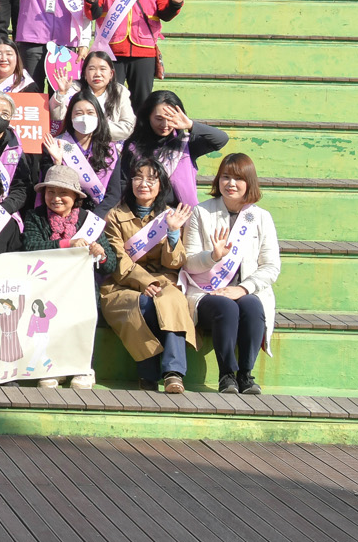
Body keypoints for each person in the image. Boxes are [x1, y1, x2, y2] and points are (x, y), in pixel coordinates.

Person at [182, 153, 280, 396]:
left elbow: (271, 267)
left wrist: (243, 288)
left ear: (249, 182)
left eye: (238, 178)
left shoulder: (261, 217)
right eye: (225, 177)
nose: (231, 184)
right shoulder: (201, 212)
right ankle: (226, 376)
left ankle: (245, 375)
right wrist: (213, 256)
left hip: (246, 290)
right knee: (226, 307)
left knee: (251, 305)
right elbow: (189, 262)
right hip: (207, 292)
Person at [100, 158, 196, 394]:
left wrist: (173, 232)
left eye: (151, 179)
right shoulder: (115, 216)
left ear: (161, 185)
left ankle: (174, 373)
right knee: (142, 304)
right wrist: (145, 282)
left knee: (172, 301)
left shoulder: (169, 216)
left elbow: (174, 262)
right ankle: (148, 374)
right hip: (123, 285)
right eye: (138, 178)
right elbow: (118, 259)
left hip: (163, 281)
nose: (144, 184)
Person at [17, 167, 118, 385]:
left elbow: (110, 264)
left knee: (82, 319)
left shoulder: (90, 222)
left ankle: (83, 367)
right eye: (50, 192)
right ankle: (52, 367)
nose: (56, 198)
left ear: (75, 196)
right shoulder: (35, 217)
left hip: (81, 290)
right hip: (46, 287)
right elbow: (30, 248)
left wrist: (100, 254)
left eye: (62, 193)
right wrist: (66, 244)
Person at [124, 90, 229, 207]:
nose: (165, 125)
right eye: (159, 119)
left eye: (170, 118)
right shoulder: (133, 147)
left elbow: (221, 139)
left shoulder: (186, 143)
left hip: (183, 213)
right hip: (145, 212)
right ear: (148, 117)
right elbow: (124, 182)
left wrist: (190, 125)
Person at [42, 92, 122, 217]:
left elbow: (113, 194)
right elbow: (48, 190)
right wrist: (57, 163)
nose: (85, 118)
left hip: (99, 216)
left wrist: (94, 218)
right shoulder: (55, 145)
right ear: (70, 116)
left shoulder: (109, 150)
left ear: (98, 116)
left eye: (90, 113)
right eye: (79, 113)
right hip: (63, 213)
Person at [51, 50, 135, 142]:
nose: (97, 74)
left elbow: (128, 126)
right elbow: (57, 118)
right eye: (92, 69)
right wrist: (61, 93)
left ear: (111, 74)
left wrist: (95, 127)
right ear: (84, 74)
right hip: (76, 143)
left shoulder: (120, 92)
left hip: (108, 143)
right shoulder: (73, 88)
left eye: (103, 69)